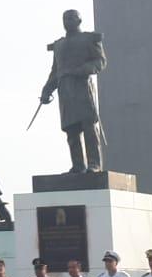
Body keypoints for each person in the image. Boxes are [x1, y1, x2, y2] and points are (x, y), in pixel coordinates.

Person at [40, 9, 108, 173]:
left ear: (79, 20)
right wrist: (47, 89)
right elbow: (55, 71)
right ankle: (78, 165)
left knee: (89, 127)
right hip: (65, 90)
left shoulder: (89, 39)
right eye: (65, 18)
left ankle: (94, 164)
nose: (68, 21)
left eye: (72, 18)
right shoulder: (59, 45)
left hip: (83, 86)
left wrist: (84, 69)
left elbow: (100, 61)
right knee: (71, 129)